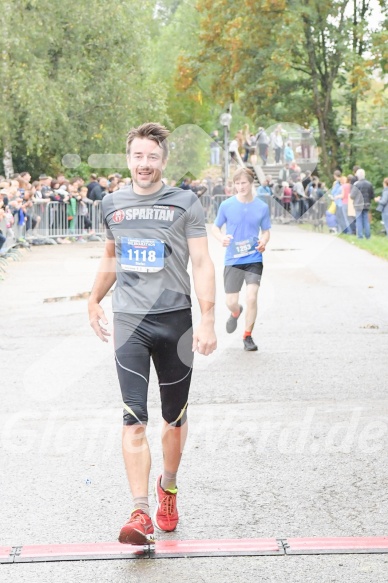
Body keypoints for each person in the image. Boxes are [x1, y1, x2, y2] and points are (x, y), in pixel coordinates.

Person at [88, 122, 217, 546]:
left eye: (153, 157)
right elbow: (111, 255)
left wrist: (209, 318)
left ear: (164, 160)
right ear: (129, 159)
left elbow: (201, 262)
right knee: (133, 416)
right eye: (138, 156)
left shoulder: (185, 203)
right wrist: (93, 299)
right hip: (130, 320)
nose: (145, 164)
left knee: (174, 418)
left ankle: (169, 487)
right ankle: (139, 510)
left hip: (175, 320)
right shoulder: (111, 203)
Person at [212, 167, 271, 352]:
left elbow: (266, 230)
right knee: (230, 301)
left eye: (243, 183)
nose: (240, 187)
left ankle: (247, 336)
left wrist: (264, 241)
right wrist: (222, 238)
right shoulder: (227, 205)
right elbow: (215, 227)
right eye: (237, 183)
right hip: (233, 259)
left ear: (251, 183)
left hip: (253, 257)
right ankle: (236, 312)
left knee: (252, 296)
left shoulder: (262, 207)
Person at [350, 168, 375, 239]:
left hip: (358, 205)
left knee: (359, 220)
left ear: (358, 176)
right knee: (366, 220)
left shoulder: (356, 184)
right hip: (367, 204)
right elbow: (372, 195)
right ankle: (368, 236)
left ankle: (360, 236)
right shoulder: (369, 184)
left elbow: (352, 195)